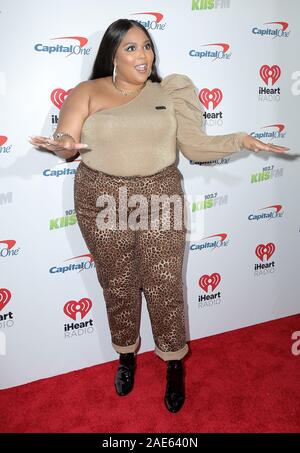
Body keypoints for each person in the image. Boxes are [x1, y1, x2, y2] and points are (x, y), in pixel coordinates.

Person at [29, 18, 289, 413]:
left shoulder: (169, 91)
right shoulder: (87, 91)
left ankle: (172, 361)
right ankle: (125, 354)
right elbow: (67, 142)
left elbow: (196, 147)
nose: (143, 55)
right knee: (117, 281)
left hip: (160, 194)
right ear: (112, 53)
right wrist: (60, 144)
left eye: (147, 46)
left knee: (165, 282)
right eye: (131, 47)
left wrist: (239, 140)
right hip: (100, 196)